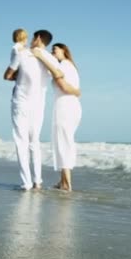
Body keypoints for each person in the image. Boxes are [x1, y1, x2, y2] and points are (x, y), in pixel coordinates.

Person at [3, 30, 56, 190]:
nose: (31, 40)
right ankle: (38, 182)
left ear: (38, 38)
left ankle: (26, 183)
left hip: (21, 102)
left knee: (21, 142)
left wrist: (18, 76)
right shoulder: (50, 58)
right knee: (35, 143)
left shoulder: (22, 53)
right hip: (38, 105)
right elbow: (58, 74)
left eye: (33, 37)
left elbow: (7, 75)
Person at [32, 43, 81, 191]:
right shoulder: (71, 66)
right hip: (72, 106)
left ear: (64, 51)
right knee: (65, 141)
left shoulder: (65, 66)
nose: (52, 52)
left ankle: (66, 184)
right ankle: (62, 181)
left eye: (55, 50)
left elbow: (64, 86)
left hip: (65, 106)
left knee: (63, 143)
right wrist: (77, 92)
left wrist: (41, 56)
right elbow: (75, 89)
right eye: (51, 50)